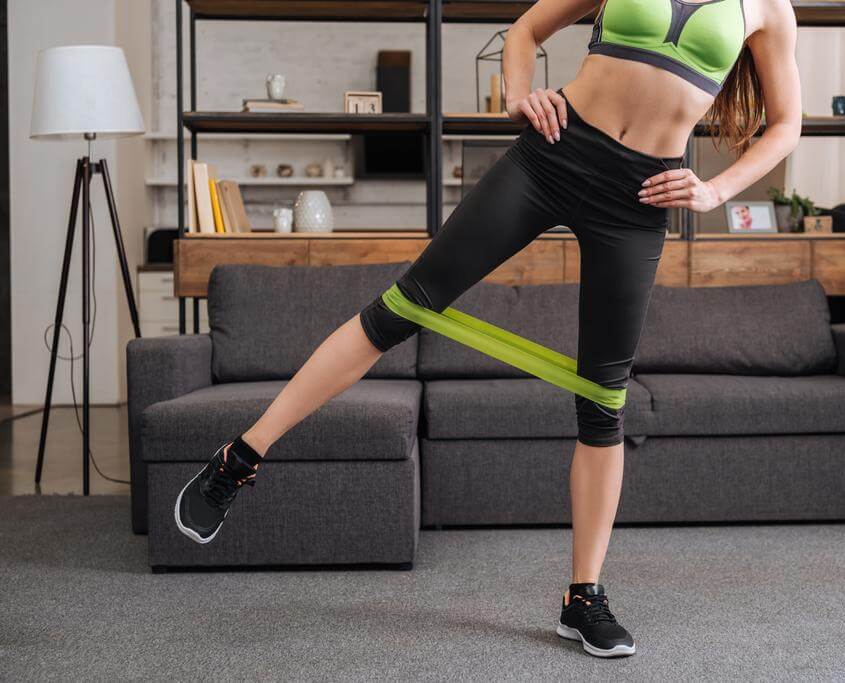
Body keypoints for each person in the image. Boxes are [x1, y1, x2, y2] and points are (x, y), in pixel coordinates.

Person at [174, 0, 800, 659]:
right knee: (398, 307)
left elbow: (786, 124)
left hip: (640, 196)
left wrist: (716, 191)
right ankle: (239, 457)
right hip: (554, 154)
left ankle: (582, 596)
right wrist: (519, 93)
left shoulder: (769, 8)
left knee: (604, 397)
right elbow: (528, 28)